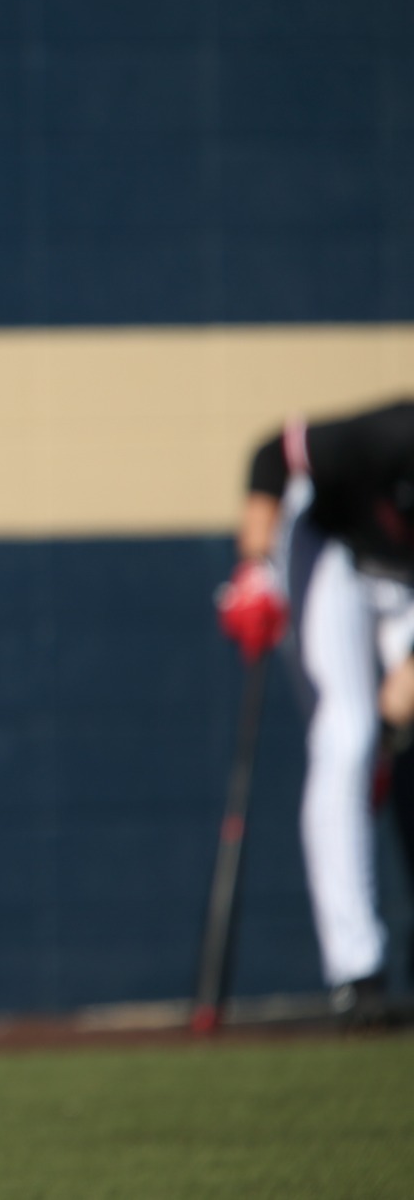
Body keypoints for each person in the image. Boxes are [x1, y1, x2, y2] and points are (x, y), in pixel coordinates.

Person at [218, 398, 414, 1026]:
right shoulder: (390, 435)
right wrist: (254, 570)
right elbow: (271, 455)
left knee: (377, 737)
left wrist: (395, 726)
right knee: (348, 735)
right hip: (331, 548)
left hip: (404, 582)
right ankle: (357, 974)